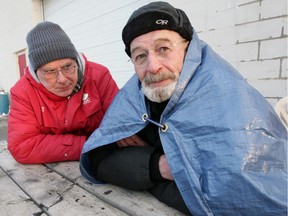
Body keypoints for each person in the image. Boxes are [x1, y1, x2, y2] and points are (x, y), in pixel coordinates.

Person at [80, 2, 287, 215]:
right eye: (140, 55)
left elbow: (236, 196)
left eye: (163, 48)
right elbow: (99, 160)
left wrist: (159, 169)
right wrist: (158, 165)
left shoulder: (230, 99)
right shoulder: (136, 96)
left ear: (189, 49)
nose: (153, 67)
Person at [8, 21, 119, 164]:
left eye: (68, 67)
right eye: (50, 71)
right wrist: (89, 144)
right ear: (36, 72)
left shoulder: (99, 76)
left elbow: (121, 125)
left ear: (76, 62)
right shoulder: (23, 92)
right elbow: (22, 146)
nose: (62, 79)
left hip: (106, 162)